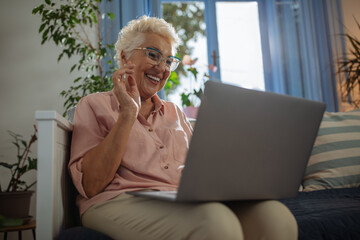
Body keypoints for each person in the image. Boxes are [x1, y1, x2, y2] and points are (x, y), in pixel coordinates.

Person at [69, 15, 298, 240]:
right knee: (216, 223)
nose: (162, 67)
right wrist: (129, 113)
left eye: (168, 60)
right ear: (124, 57)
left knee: (276, 217)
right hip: (117, 200)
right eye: (153, 55)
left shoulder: (175, 112)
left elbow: (199, 172)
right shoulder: (93, 104)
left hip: (177, 200)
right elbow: (91, 185)